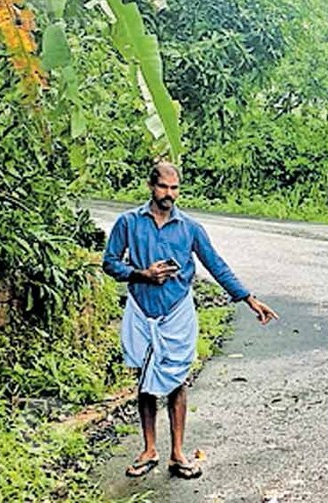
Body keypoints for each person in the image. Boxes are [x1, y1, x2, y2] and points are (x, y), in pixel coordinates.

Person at [102, 162, 278, 479]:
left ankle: (177, 453)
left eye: (174, 188)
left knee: (177, 381)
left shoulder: (190, 228)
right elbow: (109, 263)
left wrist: (249, 299)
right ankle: (149, 449)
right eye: (163, 187)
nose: (169, 194)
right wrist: (142, 274)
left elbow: (216, 265)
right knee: (145, 382)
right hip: (141, 312)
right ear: (151, 186)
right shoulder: (128, 223)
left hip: (177, 314)